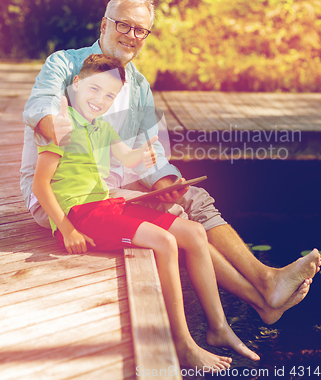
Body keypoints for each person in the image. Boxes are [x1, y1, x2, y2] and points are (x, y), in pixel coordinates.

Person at [21, 0, 321, 328]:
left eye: (141, 30)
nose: (131, 36)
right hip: (62, 199)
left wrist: (165, 182)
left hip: (107, 189)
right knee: (180, 215)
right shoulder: (65, 64)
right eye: (124, 25)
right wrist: (61, 126)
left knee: (191, 196)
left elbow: (150, 151)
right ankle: (263, 291)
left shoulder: (137, 87)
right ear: (105, 24)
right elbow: (40, 106)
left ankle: (266, 286)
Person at [32, 53, 260, 368]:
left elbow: (130, 159)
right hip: (81, 216)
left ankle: (219, 327)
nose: (101, 100)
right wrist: (67, 229)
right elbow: (40, 185)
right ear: (76, 84)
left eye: (110, 95)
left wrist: (153, 159)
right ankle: (182, 342)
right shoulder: (62, 127)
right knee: (165, 242)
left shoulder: (103, 129)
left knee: (193, 231)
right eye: (94, 89)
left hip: (106, 204)